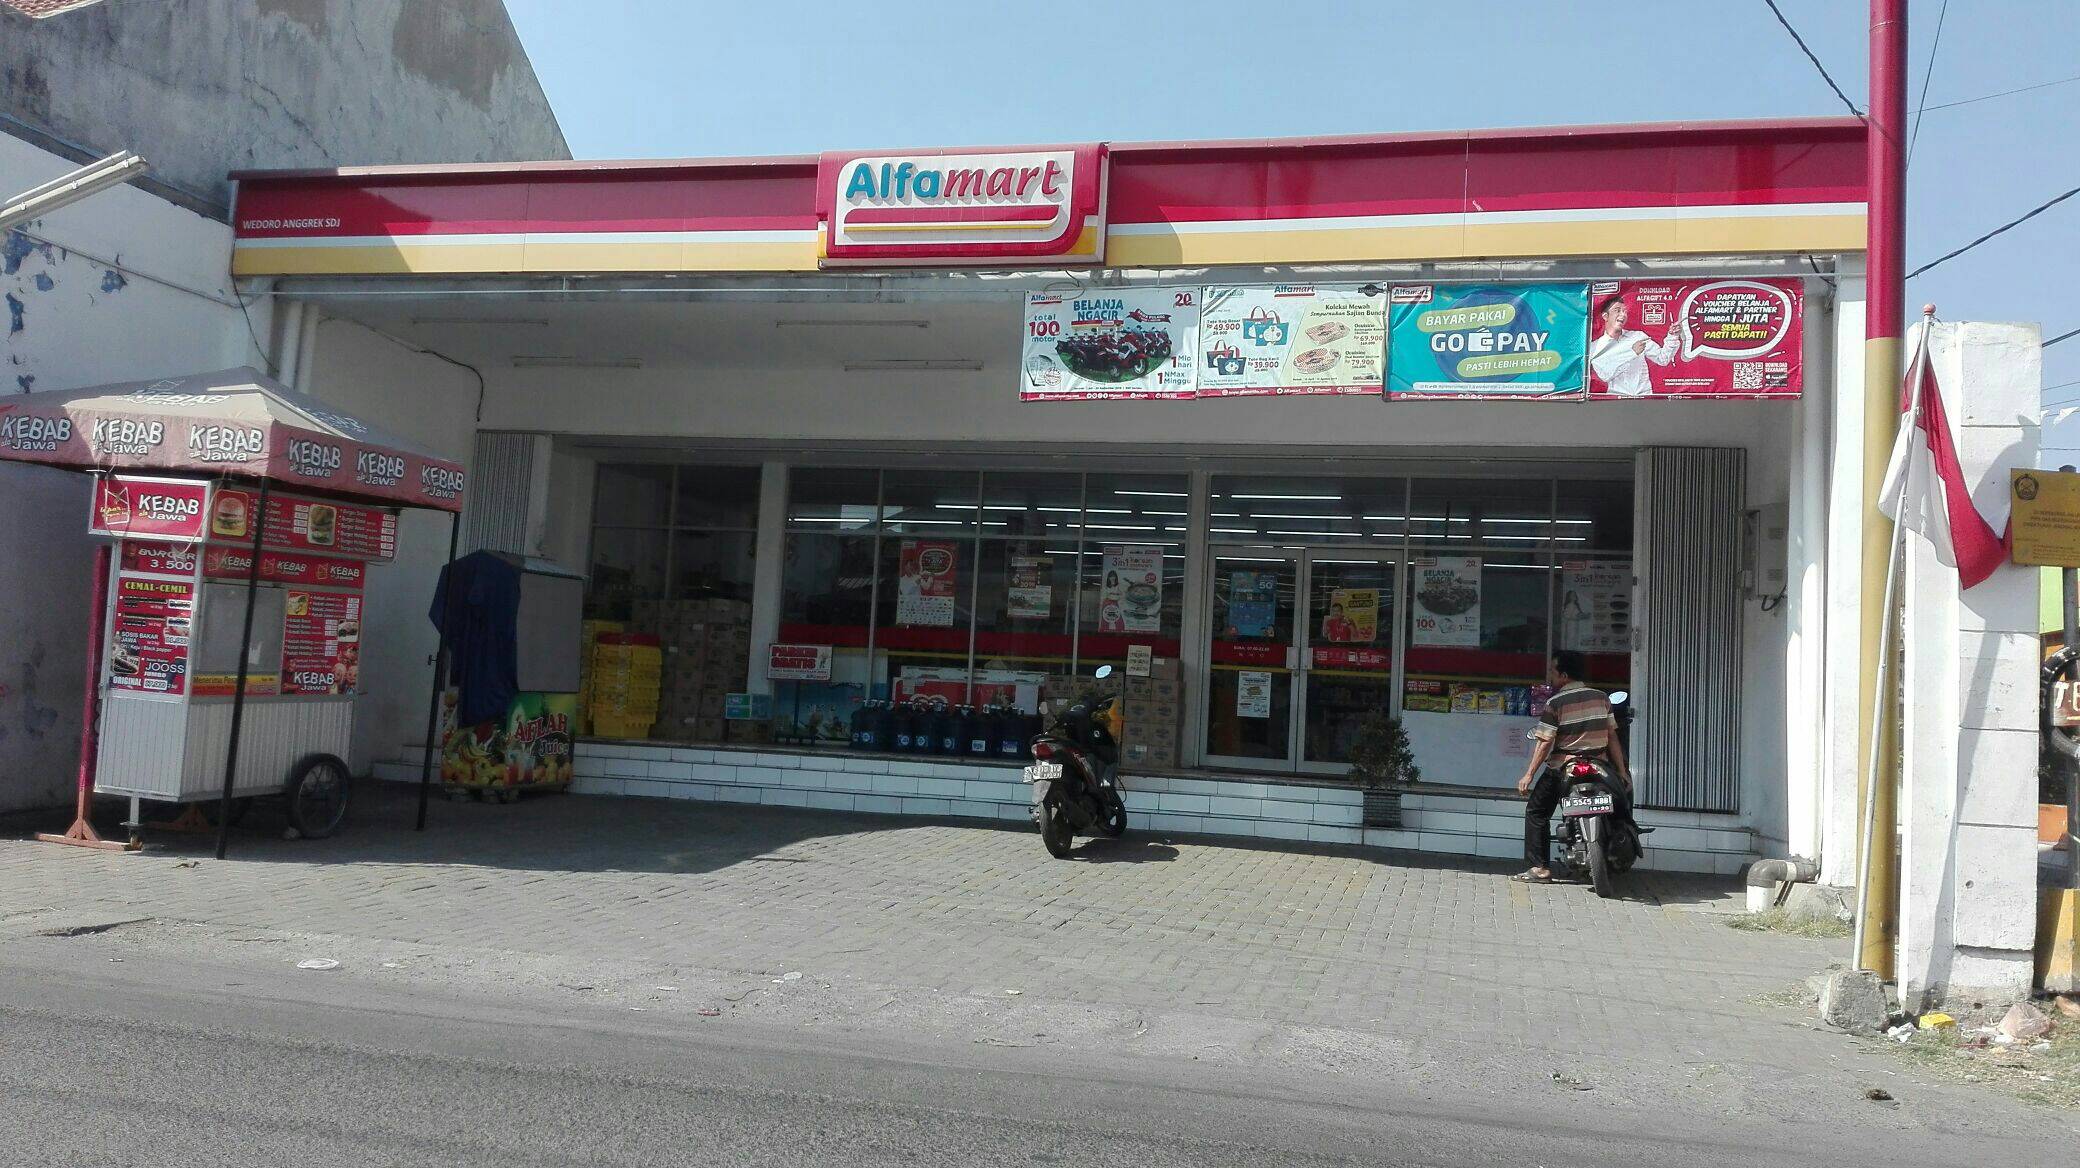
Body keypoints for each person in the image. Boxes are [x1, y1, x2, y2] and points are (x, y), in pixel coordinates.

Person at [1512, 650, 1632, 883]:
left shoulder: (1554, 703)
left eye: (1552, 671)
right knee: (1622, 806)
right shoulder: (1601, 698)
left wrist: (1528, 774)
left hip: (1564, 766)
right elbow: (1612, 737)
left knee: (1536, 812)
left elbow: (1545, 742)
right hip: (1600, 766)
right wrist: (1621, 771)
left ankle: (1540, 868)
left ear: (1564, 675)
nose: (1550, 675)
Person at [1587, 295, 1681, 397]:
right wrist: (1632, 353)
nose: (1622, 314)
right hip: (1616, 399)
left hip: (1644, 397)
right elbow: (1605, 375)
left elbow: (1662, 359)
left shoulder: (1638, 337)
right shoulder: (1595, 347)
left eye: (1624, 311)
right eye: (1617, 310)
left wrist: (1673, 336)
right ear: (1605, 316)